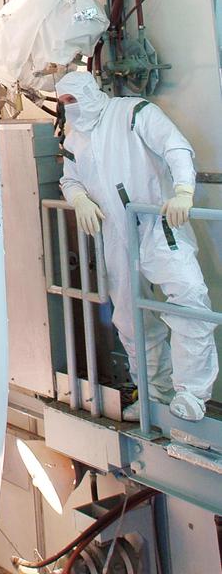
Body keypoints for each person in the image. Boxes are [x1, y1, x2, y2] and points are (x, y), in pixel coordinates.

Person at [56, 71, 217, 422]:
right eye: (64, 103)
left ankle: (191, 393)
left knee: (189, 298)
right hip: (116, 233)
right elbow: (69, 177)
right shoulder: (74, 137)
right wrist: (79, 197)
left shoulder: (133, 113)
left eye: (74, 100)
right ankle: (152, 395)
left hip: (160, 224)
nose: (70, 108)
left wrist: (184, 192)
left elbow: (174, 146)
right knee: (129, 318)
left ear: (90, 92)